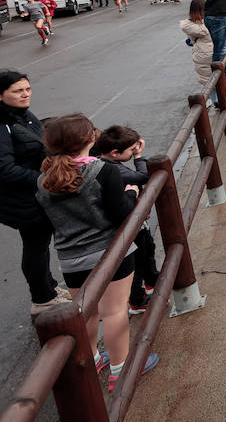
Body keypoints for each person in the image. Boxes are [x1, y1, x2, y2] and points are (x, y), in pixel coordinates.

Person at [34, 114, 160, 392]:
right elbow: (121, 214)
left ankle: (92, 360)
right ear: (90, 139)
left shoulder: (44, 178)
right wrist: (130, 193)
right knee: (115, 310)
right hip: (109, 253)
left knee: (86, 314)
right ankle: (121, 367)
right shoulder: (103, 171)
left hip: (70, 258)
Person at [0, 70, 71, 316]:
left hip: (34, 194)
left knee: (39, 244)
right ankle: (41, 299)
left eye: (28, 89)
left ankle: (48, 287)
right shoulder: (2, 125)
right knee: (34, 245)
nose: (25, 94)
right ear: (1, 95)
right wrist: (44, 179)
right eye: (18, 91)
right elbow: (5, 170)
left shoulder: (23, 115)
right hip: (18, 199)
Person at [92, 125, 161, 315]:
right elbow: (142, 176)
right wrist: (139, 157)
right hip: (126, 225)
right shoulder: (111, 169)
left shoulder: (107, 162)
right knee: (136, 262)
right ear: (115, 153)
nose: (133, 152)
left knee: (148, 249)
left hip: (135, 222)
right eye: (131, 150)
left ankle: (152, 280)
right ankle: (137, 300)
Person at [181, 0, 214, 88]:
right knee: (217, 78)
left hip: (200, 53)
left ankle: (212, 100)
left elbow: (189, 41)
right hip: (211, 51)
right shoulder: (209, 22)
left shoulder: (190, 25)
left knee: (207, 81)